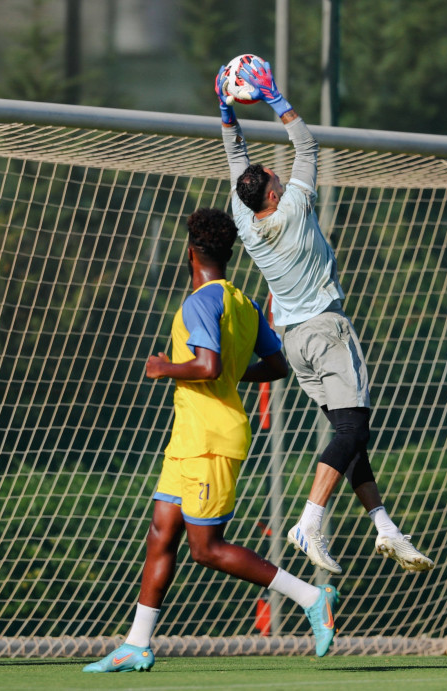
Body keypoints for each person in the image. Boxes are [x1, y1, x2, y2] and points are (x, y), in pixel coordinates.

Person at [83, 208, 340, 673]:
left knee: (206, 548)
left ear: (190, 252)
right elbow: (277, 366)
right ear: (229, 252)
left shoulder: (201, 302)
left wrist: (164, 368)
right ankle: (136, 644)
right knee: (161, 533)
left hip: (210, 441)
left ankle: (310, 596)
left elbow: (208, 367)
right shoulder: (242, 303)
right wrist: (234, 373)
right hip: (188, 438)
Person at [215, 58, 433, 575]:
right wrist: (275, 99)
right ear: (273, 191)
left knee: (347, 433)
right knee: (354, 428)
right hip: (326, 331)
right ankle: (309, 522)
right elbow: (308, 147)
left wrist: (226, 107)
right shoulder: (291, 207)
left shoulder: (245, 217)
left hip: (292, 340)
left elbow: (236, 154)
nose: (278, 171)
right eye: (274, 174)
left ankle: (384, 526)